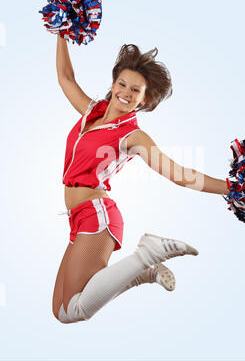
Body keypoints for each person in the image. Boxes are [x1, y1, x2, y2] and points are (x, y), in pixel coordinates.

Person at [52, 35, 230, 323]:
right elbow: (65, 77)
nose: (126, 92)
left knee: (75, 310)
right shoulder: (92, 113)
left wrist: (231, 188)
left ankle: (148, 254)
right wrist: (62, 33)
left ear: (144, 99)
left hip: (96, 216)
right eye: (122, 84)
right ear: (113, 84)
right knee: (60, 310)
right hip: (77, 216)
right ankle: (146, 272)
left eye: (136, 90)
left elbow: (180, 175)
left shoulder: (132, 135)